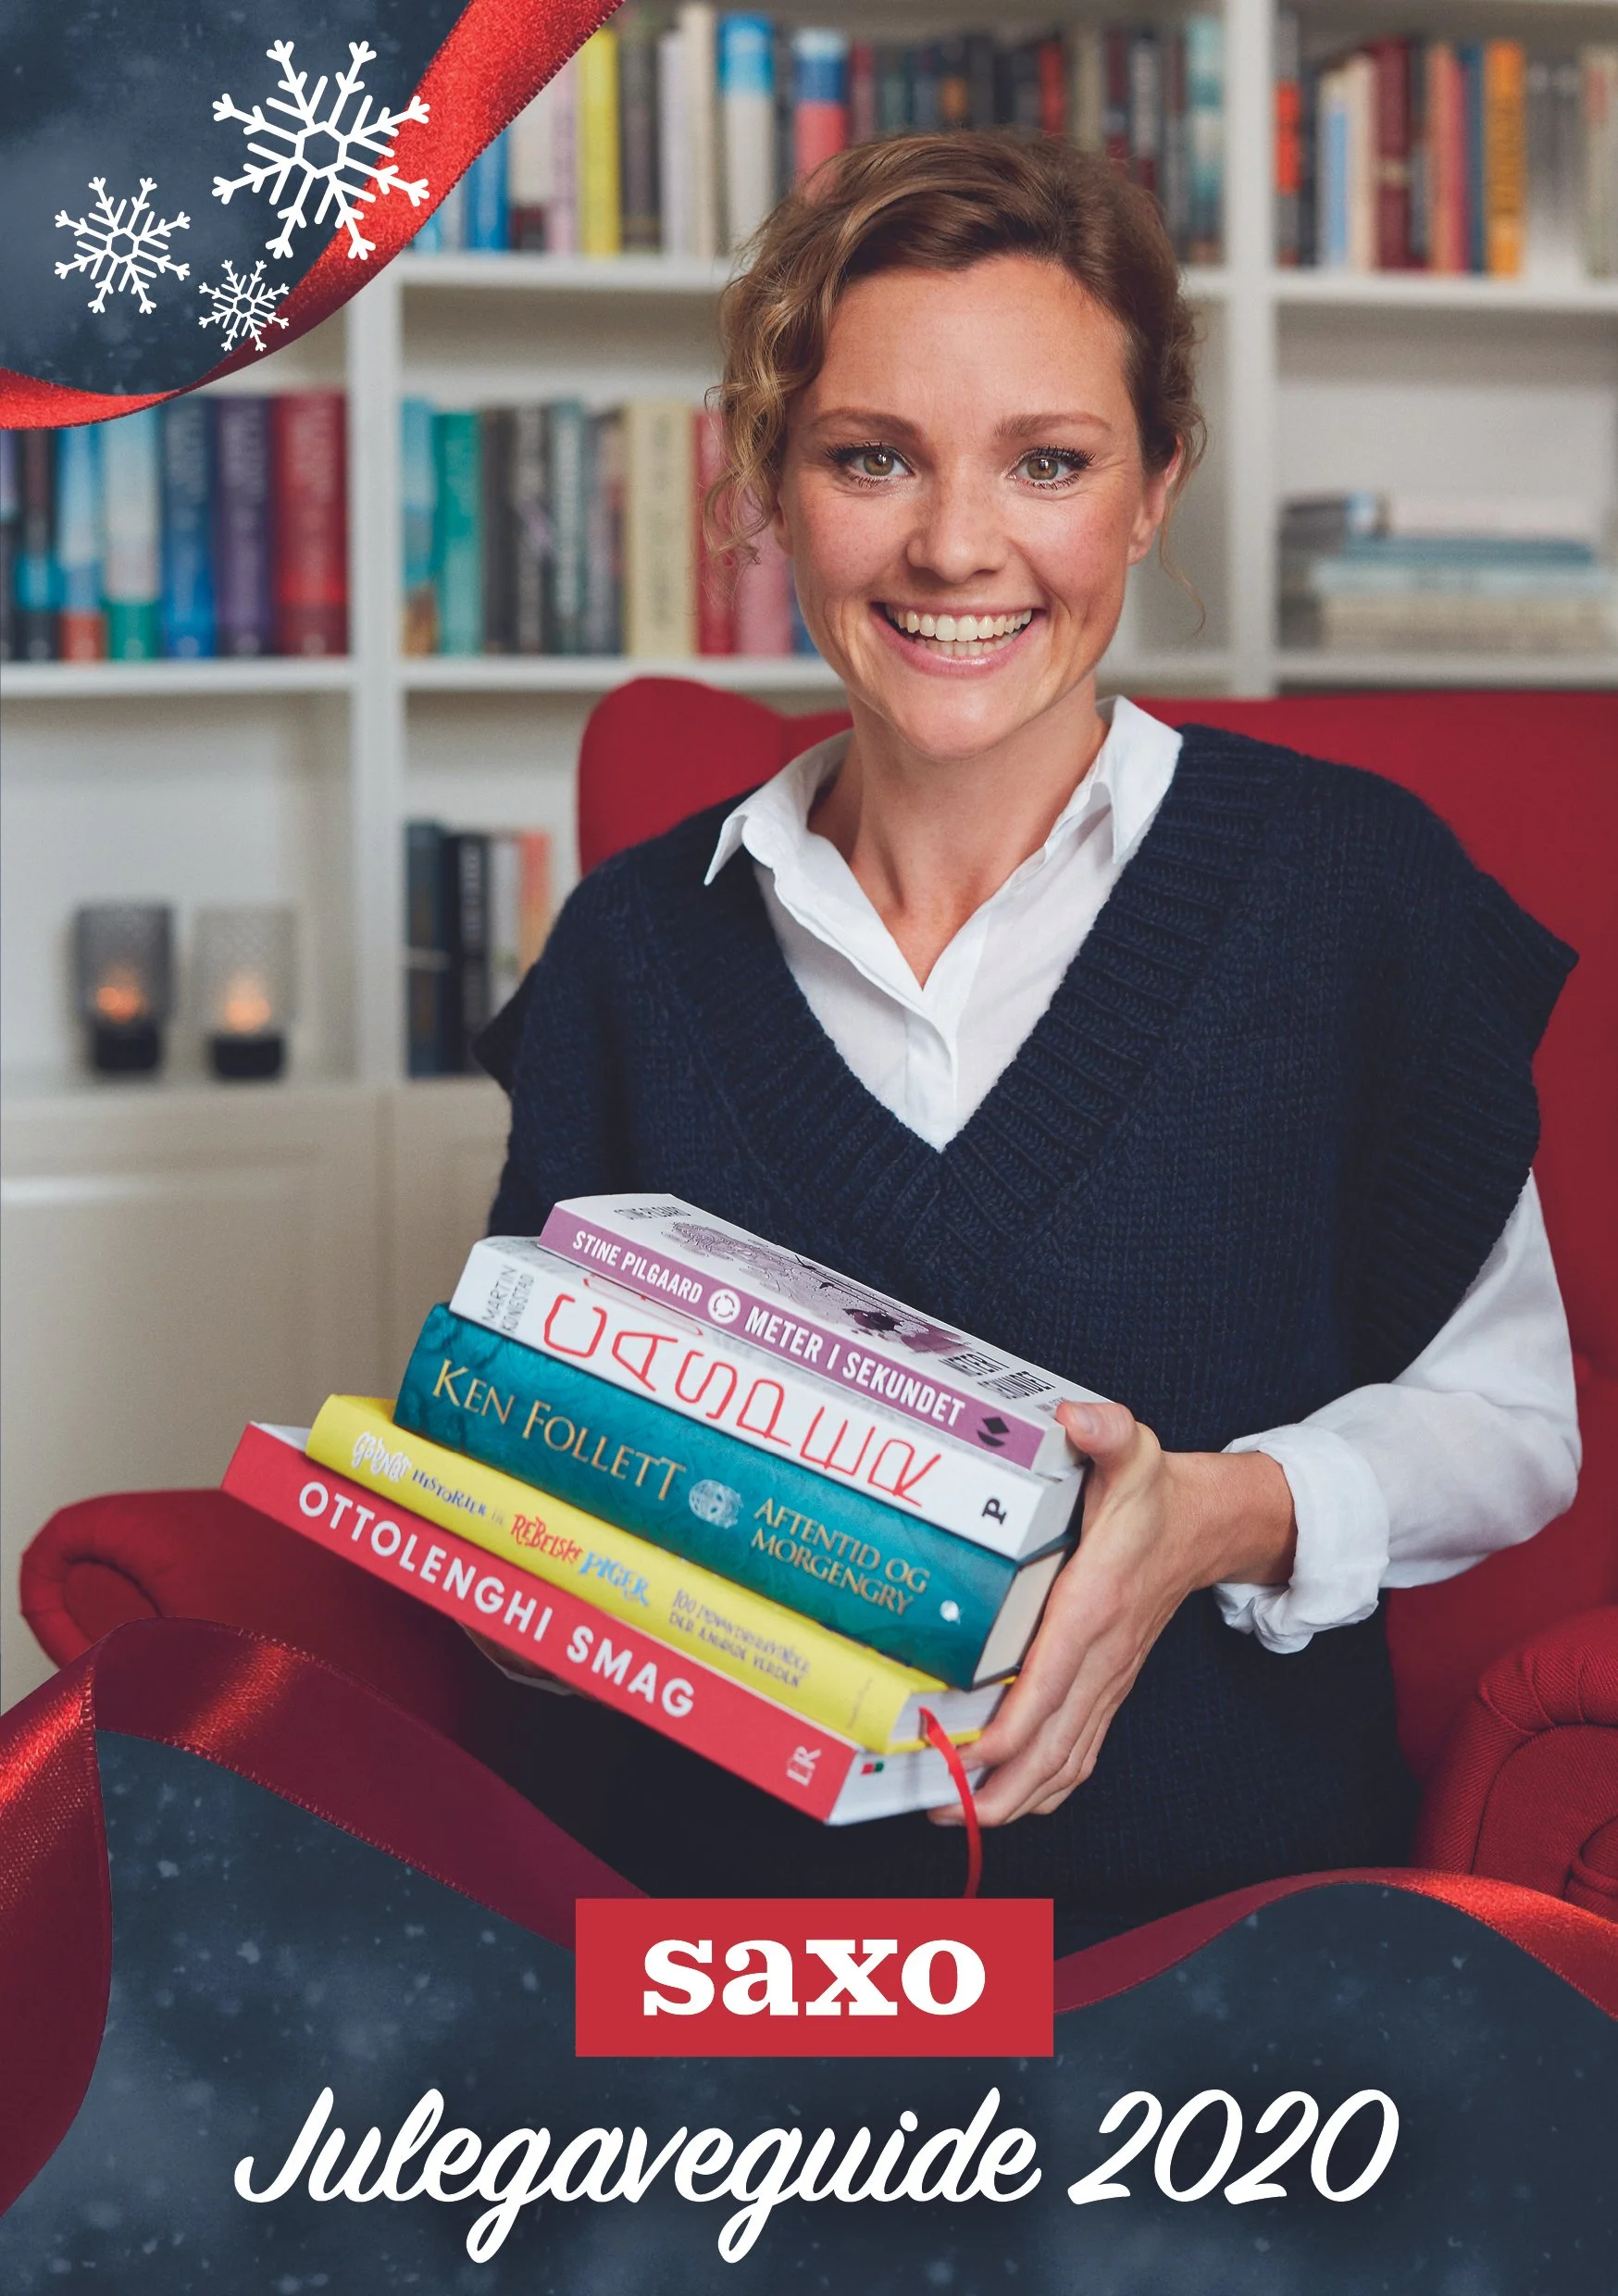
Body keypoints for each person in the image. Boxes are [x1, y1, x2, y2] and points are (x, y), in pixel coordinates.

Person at [477, 133, 1579, 1951]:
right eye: (869, 457)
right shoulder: (635, 947)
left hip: (1231, 1957)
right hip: (741, 1958)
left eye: (1047, 463)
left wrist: (1214, 1518)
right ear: (767, 483)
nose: (956, 545)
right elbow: (534, 1485)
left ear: (1155, 488)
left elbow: (1515, 1426)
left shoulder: (1350, 889)